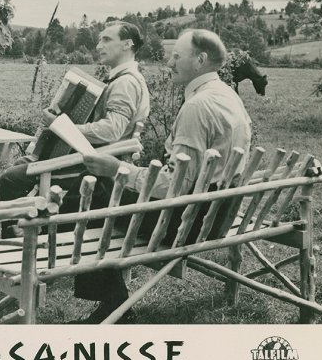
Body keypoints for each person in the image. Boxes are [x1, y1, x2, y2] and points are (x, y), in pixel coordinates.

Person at [68, 28, 252, 324]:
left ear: (201, 60)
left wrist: (118, 169)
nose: (169, 62)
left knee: (97, 193)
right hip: (221, 210)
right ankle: (112, 298)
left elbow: (174, 185)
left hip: (190, 222)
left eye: (177, 56)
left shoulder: (197, 106)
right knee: (107, 191)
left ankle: (114, 307)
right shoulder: (226, 95)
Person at [0, 21, 150, 238]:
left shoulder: (125, 83)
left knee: (11, 179)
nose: (98, 46)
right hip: (96, 159)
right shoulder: (128, 79)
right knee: (24, 165)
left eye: (106, 39)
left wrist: (60, 126)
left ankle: (15, 247)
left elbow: (112, 131)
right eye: (99, 40)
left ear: (127, 44)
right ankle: (26, 234)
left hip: (96, 167)